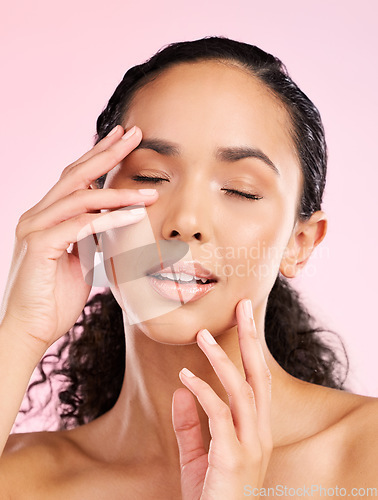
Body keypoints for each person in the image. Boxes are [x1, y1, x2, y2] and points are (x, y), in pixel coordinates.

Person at [0, 35, 376, 498]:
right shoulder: (22, 478)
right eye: (150, 176)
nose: (185, 221)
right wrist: (20, 331)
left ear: (299, 243)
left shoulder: (366, 456)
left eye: (240, 189)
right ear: (94, 210)